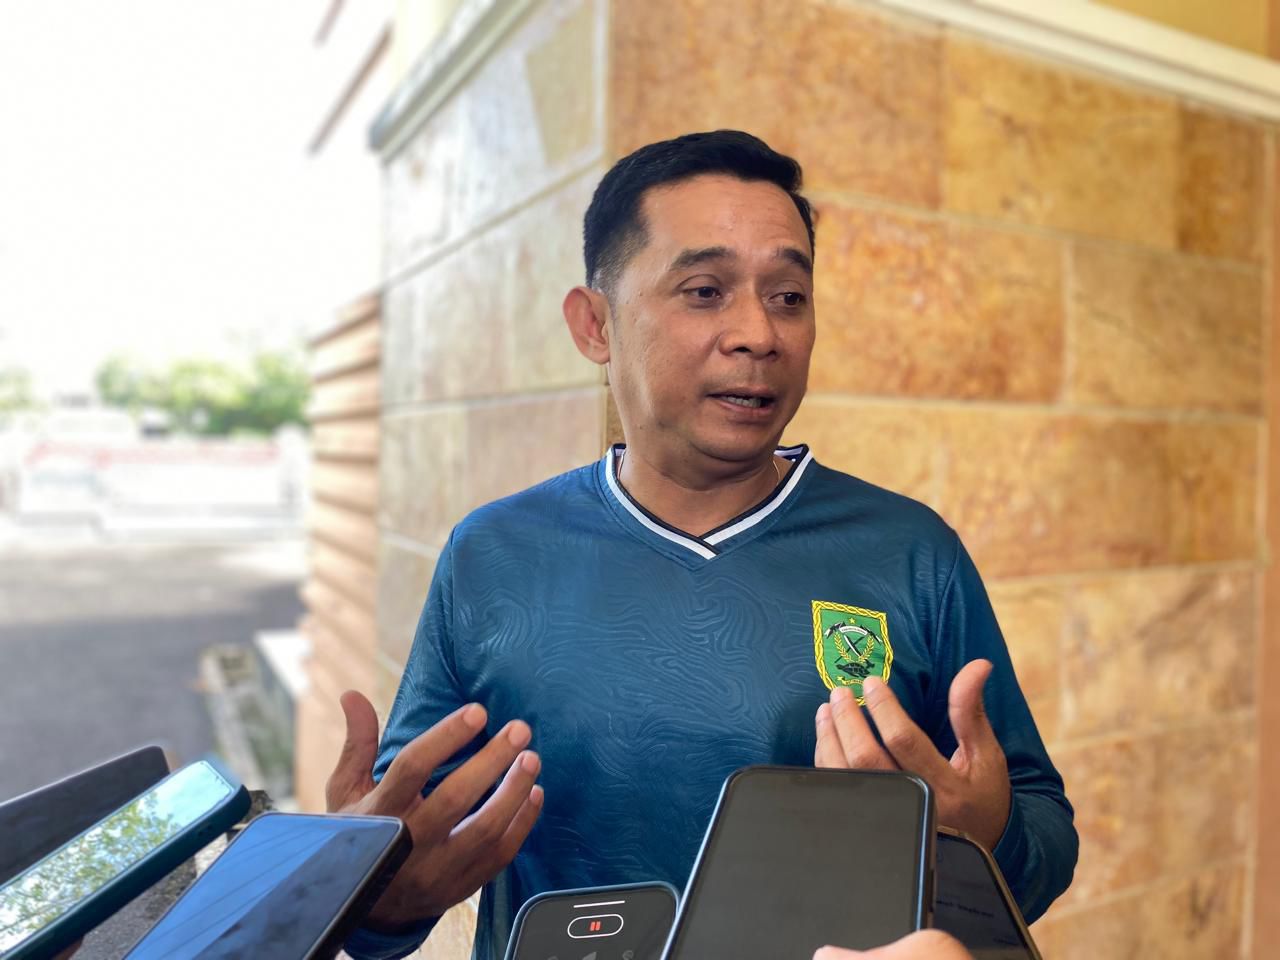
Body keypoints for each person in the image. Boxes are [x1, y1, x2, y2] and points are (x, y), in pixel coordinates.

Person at [337, 130, 1077, 960]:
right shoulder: (492, 554)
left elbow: (1043, 837)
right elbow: (400, 867)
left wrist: (984, 838)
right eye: (704, 291)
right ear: (595, 325)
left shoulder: (911, 552)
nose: (759, 333)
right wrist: (374, 896)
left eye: (788, 296)